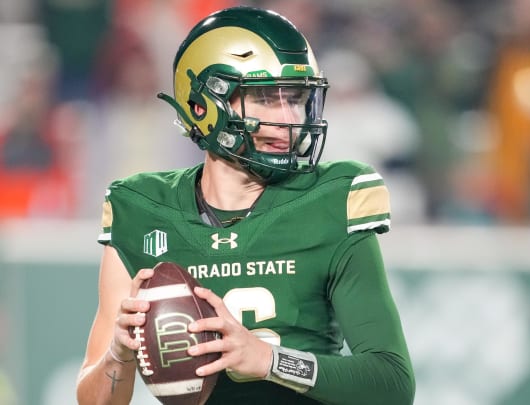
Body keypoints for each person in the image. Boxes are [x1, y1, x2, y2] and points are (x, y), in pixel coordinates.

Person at [75, 6, 415, 405]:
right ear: (202, 105)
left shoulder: (330, 198)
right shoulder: (142, 209)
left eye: (297, 97)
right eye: (267, 98)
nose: (289, 117)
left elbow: (392, 384)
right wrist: (120, 354)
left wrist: (270, 360)